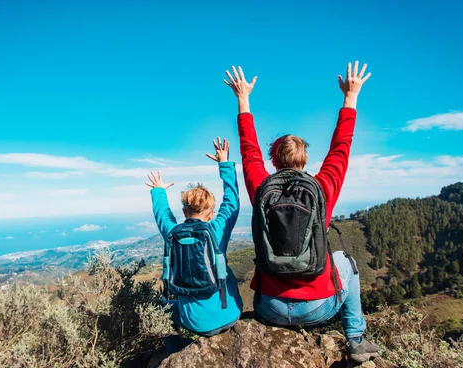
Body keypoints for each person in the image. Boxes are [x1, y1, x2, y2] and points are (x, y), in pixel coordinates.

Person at [224, 62, 379, 363]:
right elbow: (341, 149)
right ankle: (356, 338)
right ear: (306, 159)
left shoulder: (261, 186)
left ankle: (352, 336)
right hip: (318, 306)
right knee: (347, 261)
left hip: (269, 306)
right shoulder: (322, 188)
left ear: (273, 159)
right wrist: (351, 97)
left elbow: (248, 150)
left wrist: (243, 99)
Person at [146, 137, 243, 352]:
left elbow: (162, 214)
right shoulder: (217, 230)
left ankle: (173, 352)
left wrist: (158, 190)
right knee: (226, 268)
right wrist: (224, 163)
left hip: (193, 322)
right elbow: (232, 201)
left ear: (184, 212)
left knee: (160, 307)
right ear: (211, 214)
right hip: (230, 315)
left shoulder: (173, 234)